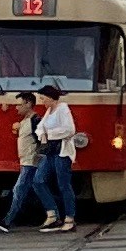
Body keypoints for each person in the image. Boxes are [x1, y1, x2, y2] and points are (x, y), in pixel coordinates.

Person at [0, 91, 54, 231]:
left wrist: (38, 158)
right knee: (26, 189)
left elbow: (43, 141)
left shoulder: (36, 121)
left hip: (31, 160)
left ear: (28, 104)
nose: (16, 108)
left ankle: (7, 221)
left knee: (19, 189)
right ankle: (52, 213)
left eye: (19, 105)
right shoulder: (26, 121)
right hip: (26, 160)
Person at [34, 82, 80, 230]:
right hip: (50, 152)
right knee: (38, 180)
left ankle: (69, 218)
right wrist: (42, 134)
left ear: (51, 98)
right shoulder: (49, 111)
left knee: (63, 184)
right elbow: (40, 127)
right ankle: (52, 213)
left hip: (62, 151)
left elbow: (69, 129)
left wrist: (49, 134)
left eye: (43, 99)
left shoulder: (62, 109)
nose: (42, 102)